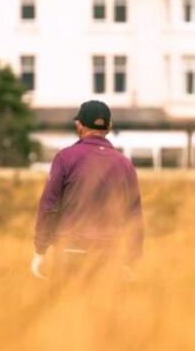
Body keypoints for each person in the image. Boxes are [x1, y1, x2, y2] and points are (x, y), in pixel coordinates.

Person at [31, 100, 144, 283]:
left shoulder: (64, 158)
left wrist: (40, 250)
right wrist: (132, 259)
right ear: (109, 127)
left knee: (66, 309)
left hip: (70, 251)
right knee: (105, 311)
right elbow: (134, 216)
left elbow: (49, 206)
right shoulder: (125, 164)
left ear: (79, 125)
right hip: (110, 255)